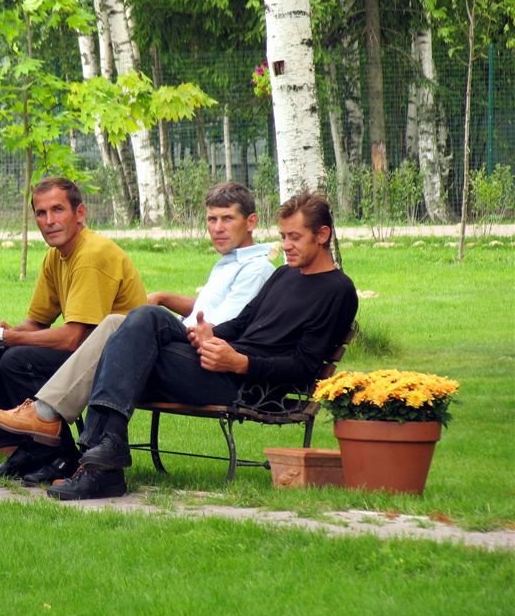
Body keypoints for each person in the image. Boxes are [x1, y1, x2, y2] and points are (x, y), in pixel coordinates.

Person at [47, 190, 358, 500]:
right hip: (218, 364)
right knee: (141, 321)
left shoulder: (337, 291)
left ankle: (96, 462)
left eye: (295, 237)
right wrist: (209, 334)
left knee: (131, 334)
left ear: (322, 235)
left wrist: (240, 362)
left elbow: (304, 366)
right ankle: (104, 455)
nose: (286, 245)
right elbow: (242, 323)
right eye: (283, 236)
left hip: (244, 384)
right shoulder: (284, 275)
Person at [0, 182, 276, 462]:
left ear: (251, 222)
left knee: (109, 326)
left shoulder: (255, 268)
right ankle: (24, 450)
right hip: (172, 355)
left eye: (227, 219)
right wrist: (164, 298)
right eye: (212, 219)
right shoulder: (231, 261)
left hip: (206, 368)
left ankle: (59, 446)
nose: (218, 228)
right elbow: (212, 310)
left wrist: (5, 337)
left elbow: (216, 331)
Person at [0, 177, 147, 486]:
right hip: (88, 354)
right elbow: (37, 323)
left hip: (119, 363)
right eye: (41, 213)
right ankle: (27, 449)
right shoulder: (55, 255)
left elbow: (74, 338)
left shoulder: (91, 254)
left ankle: (60, 457)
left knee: (16, 358)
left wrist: (5, 337)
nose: (49, 221)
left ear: (80, 213)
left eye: (58, 210)